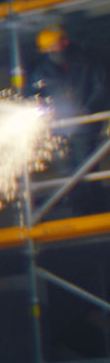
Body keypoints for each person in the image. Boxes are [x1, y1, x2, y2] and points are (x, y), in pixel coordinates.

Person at [25, 23, 110, 218]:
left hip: (84, 128)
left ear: (65, 42)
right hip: (58, 131)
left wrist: (87, 111)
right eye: (50, 48)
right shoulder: (41, 73)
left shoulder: (86, 63)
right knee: (68, 173)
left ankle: (94, 211)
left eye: (56, 45)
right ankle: (80, 212)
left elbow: (101, 88)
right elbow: (33, 98)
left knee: (86, 169)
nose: (54, 51)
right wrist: (45, 114)